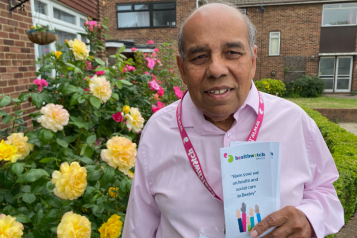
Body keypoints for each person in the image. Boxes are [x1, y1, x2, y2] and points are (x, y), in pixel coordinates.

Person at [122, 3, 344, 238]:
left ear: (253, 61)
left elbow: (326, 194)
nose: (216, 69)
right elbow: (138, 228)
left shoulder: (294, 122)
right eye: (199, 56)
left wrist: (309, 219)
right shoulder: (158, 131)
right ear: (182, 68)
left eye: (232, 53)